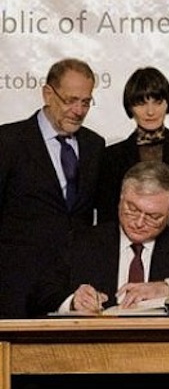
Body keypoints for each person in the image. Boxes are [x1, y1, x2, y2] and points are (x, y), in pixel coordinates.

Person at [25, 160, 169, 389]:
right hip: (89, 378)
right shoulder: (82, 242)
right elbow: (39, 294)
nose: (139, 222)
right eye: (132, 209)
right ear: (120, 199)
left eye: (153, 216)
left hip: (165, 381)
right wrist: (72, 301)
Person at [0, 58, 105, 319]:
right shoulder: (8, 141)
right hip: (14, 287)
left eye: (86, 102)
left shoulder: (94, 145)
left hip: (72, 289)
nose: (79, 110)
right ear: (48, 94)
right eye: (71, 100)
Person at [96, 66, 169, 242]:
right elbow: (109, 216)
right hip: (131, 252)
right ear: (130, 106)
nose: (150, 111)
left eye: (157, 102)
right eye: (141, 103)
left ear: (168, 103)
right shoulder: (111, 156)